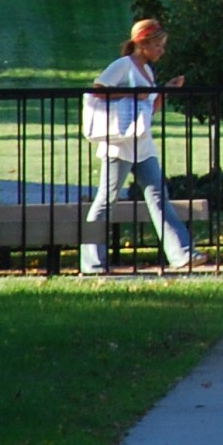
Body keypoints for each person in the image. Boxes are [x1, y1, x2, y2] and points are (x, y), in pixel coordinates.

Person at [82, 19, 194, 274]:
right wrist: (133, 94)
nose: (161, 51)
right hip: (119, 146)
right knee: (105, 200)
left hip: (142, 145)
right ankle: (92, 263)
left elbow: (148, 109)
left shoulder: (148, 72)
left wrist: (164, 91)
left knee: (158, 197)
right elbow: (97, 91)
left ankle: (181, 254)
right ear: (142, 44)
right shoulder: (123, 66)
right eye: (158, 45)